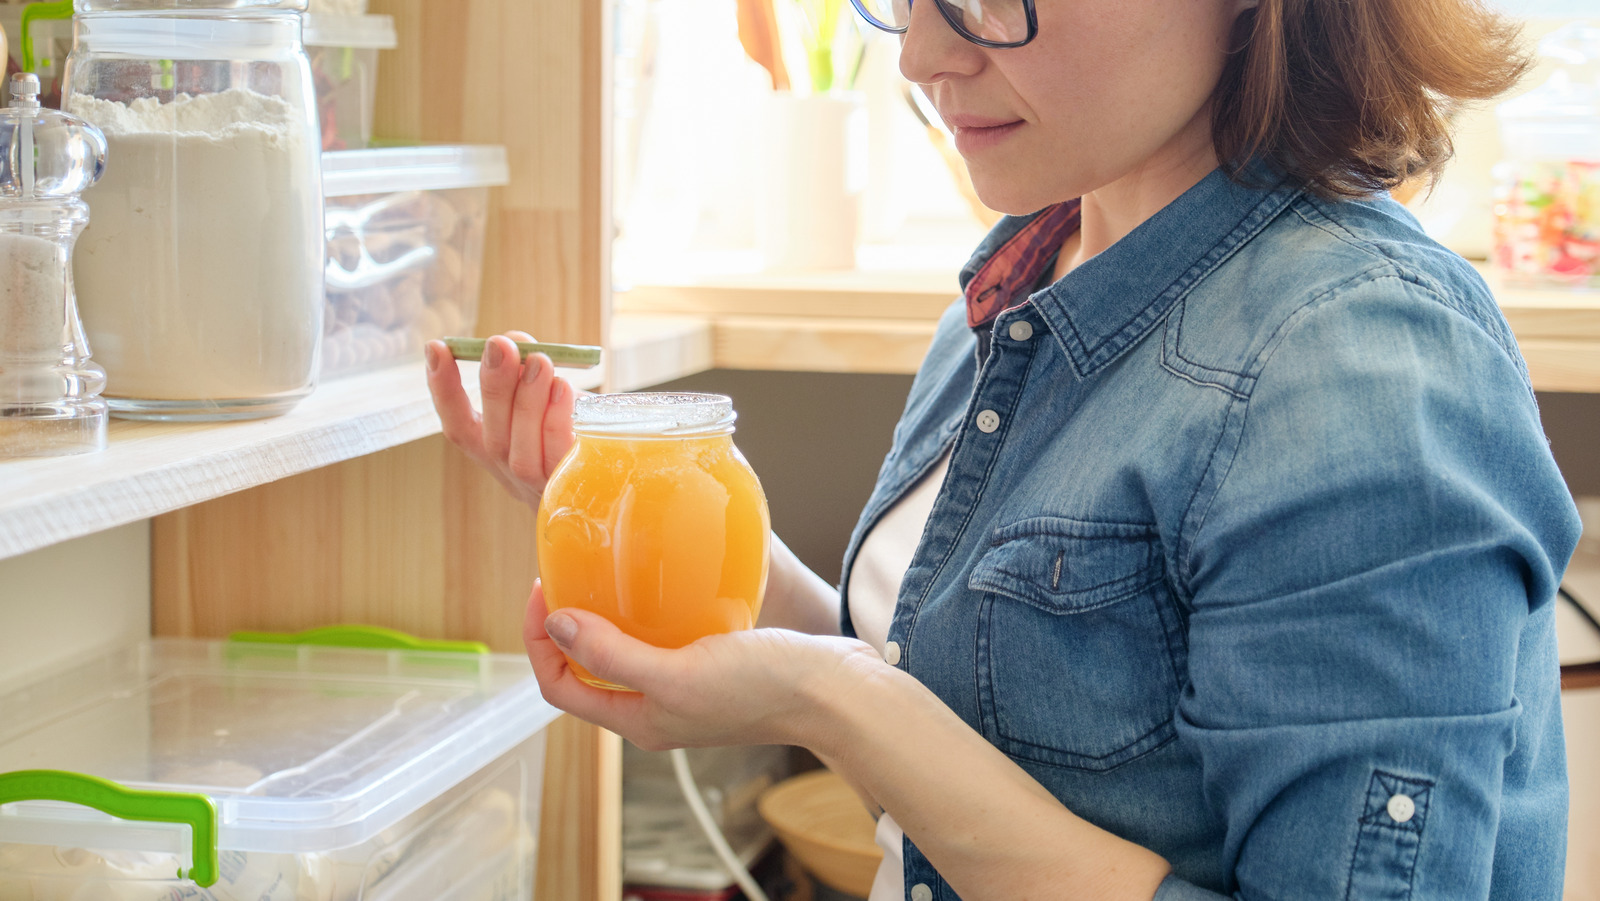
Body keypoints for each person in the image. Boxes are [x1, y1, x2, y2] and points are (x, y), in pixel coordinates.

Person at [423, 0, 1583, 896]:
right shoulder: (1033, 268)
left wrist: (827, 704)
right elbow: (958, 684)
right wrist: (651, 521)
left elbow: (877, 704)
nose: (923, 55)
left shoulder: (1357, 359)